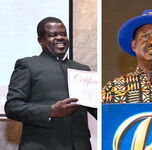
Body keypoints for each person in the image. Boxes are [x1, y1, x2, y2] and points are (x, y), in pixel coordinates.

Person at [5, 17, 96, 150]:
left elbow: (95, 108)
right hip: (42, 145)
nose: (60, 38)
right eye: (52, 35)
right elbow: (12, 107)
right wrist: (50, 111)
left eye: (63, 34)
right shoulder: (28, 65)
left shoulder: (83, 69)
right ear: (40, 40)